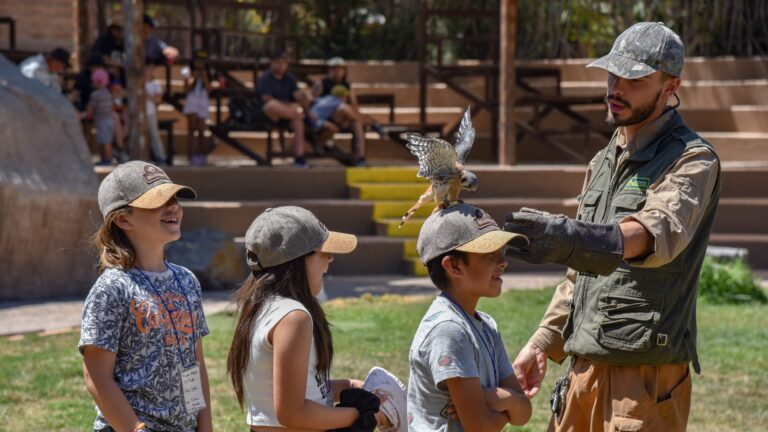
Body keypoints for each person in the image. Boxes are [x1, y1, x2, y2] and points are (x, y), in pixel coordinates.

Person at [503, 22, 721, 432]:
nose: (615, 87)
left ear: (670, 85)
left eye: (634, 78)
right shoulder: (603, 159)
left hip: (641, 376)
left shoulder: (693, 160)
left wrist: (569, 238)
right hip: (582, 367)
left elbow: (651, 235)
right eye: (612, 73)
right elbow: (578, 273)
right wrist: (541, 343)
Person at [227, 206, 406, 431]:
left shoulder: (260, 307)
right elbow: (292, 414)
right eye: (322, 251)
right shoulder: (294, 318)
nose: (330, 258)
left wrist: (346, 387)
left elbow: (287, 391)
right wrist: (362, 415)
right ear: (297, 260)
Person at [79, 161, 213, 432]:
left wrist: (205, 426)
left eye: (174, 198)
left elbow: (195, 362)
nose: (173, 206)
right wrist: (136, 429)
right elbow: (96, 375)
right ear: (123, 219)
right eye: (158, 201)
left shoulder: (186, 280)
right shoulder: (113, 288)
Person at [407, 203, 532, 431]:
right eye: (489, 253)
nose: (503, 262)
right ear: (453, 265)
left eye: (501, 251)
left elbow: (524, 412)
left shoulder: (486, 325)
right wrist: (506, 407)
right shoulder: (449, 330)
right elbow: (480, 427)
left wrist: (503, 399)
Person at [256, 51, 317, 167]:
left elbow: (296, 95)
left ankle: (299, 157)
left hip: (288, 114)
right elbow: (266, 99)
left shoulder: (289, 79)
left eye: (284, 63)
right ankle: (305, 118)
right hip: (269, 113)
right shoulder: (265, 78)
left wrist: (305, 97)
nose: (281, 65)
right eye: (278, 62)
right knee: (272, 105)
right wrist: (288, 107)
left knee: (298, 121)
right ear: (271, 63)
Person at [84, 68, 124, 165]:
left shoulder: (95, 95)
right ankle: (104, 159)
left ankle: (107, 161)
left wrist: (84, 115)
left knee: (105, 143)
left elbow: (90, 110)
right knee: (105, 141)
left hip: (102, 122)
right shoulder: (108, 93)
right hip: (110, 120)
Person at [182, 50, 211, 166]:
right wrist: (194, 78)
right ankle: (190, 156)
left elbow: (209, 89)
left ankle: (202, 155)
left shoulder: (208, 72)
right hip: (192, 102)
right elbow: (186, 89)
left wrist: (204, 77)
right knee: (191, 130)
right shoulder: (187, 71)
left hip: (203, 102)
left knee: (201, 130)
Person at [145, 65, 167, 165]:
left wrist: (146, 94)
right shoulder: (136, 83)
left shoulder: (155, 85)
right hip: (137, 116)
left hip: (150, 112)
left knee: (154, 135)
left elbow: (158, 100)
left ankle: (161, 157)